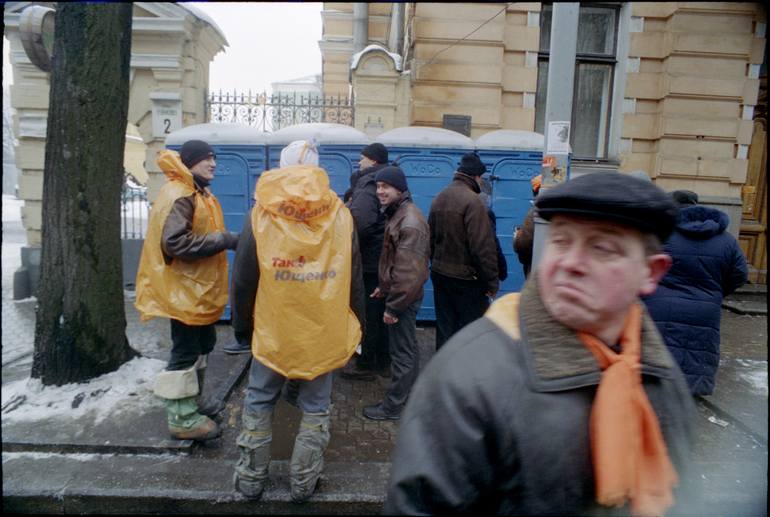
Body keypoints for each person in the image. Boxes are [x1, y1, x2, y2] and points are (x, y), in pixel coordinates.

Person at [385, 172, 696, 516]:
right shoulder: (469, 378)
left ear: (652, 272)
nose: (570, 263)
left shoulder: (661, 376)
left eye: (602, 248)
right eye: (561, 241)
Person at [230, 140, 365, 503]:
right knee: (316, 405)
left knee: (259, 399)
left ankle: (250, 480)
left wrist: (243, 327)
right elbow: (353, 276)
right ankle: (304, 484)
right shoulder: (339, 213)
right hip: (321, 329)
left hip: (273, 327)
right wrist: (357, 327)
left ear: (283, 166)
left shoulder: (261, 213)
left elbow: (244, 278)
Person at [135, 140, 239, 441]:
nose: (213, 164)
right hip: (183, 290)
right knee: (185, 352)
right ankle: (181, 417)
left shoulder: (196, 192)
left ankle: (192, 400)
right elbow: (175, 242)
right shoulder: (182, 194)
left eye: (214, 158)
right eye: (206, 159)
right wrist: (224, 239)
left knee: (203, 345)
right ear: (189, 162)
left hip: (195, 290)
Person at [643, 190, 748, 396]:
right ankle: (693, 393)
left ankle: (658, 387)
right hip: (705, 308)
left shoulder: (661, 235)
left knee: (662, 344)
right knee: (697, 347)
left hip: (660, 304)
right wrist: (715, 291)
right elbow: (740, 274)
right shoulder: (726, 240)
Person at [362, 166, 430, 421]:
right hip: (402, 293)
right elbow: (397, 262)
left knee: (401, 352)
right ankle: (408, 396)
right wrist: (384, 285)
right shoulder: (399, 213)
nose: (380, 191)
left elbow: (410, 272)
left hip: (405, 297)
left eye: (385, 187)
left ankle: (393, 406)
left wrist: (394, 306)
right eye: (378, 187)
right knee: (408, 348)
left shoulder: (409, 221)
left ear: (399, 189)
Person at [428, 152, 499, 350]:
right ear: (476, 176)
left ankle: (441, 373)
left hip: (440, 274)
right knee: (468, 333)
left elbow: (430, 239)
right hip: (467, 280)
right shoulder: (474, 202)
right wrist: (492, 281)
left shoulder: (439, 197)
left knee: (444, 328)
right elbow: (482, 248)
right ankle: (463, 376)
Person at [341, 142, 392, 381]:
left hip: (369, 259)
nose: (359, 162)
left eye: (362, 158)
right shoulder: (386, 181)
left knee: (369, 312)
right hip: (381, 257)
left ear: (372, 160)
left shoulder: (369, 182)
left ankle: (367, 363)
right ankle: (382, 359)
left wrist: (346, 245)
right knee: (379, 310)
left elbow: (359, 222)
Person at [513, 174, 541, 278]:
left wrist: (516, 237)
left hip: (535, 269)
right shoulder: (563, 209)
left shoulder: (535, 211)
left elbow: (523, 244)